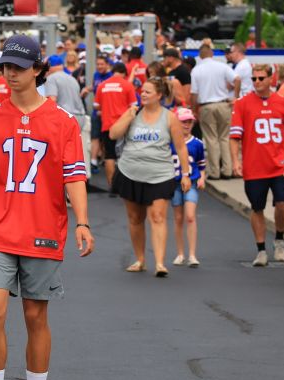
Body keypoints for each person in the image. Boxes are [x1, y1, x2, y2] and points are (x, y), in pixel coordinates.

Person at [0, 34, 94, 380]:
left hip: (42, 230)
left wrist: (83, 222)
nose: (9, 73)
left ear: (38, 69)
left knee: (36, 316)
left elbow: (74, 176)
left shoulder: (62, 122)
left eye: (18, 67)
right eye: (5, 66)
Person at [108, 78, 192, 276]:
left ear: (159, 95)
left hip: (160, 174)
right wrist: (128, 116)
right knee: (136, 218)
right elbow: (113, 134)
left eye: (147, 92)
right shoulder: (133, 112)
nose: (143, 94)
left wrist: (186, 174)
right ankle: (140, 260)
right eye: (142, 91)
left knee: (158, 216)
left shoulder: (169, 117)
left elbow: (180, 147)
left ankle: (160, 263)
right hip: (130, 172)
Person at [229, 62, 284, 266]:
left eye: (261, 78)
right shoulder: (242, 103)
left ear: (271, 79)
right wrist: (235, 161)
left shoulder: (282, 102)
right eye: (254, 78)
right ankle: (261, 249)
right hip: (254, 164)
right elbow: (234, 137)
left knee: (282, 202)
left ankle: (279, 239)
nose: (257, 82)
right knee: (257, 207)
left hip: (280, 163)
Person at [189, 43, 235, 179]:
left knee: (211, 139)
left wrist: (193, 110)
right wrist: (235, 96)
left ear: (200, 56)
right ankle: (227, 170)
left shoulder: (197, 70)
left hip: (207, 106)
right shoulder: (222, 66)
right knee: (224, 138)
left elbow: (194, 93)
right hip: (223, 104)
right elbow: (236, 79)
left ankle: (214, 172)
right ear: (212, 54)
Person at [169, 107, 206, 267]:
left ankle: (192, 254)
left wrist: (202, 178)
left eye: (189, 121)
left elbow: (201, 164)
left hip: (190, 182)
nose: (187, 124)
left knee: (190, 216)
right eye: (183, 121)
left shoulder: (197, 143)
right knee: (178, 218)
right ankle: (180, 253)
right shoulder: (170, 142)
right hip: (174, 183)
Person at [95, 62, 138, 196]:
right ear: (124, 73)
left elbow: (96, 105)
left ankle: (112, 187)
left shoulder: (102, 85)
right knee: (127, 155)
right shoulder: (127, 85)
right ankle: (127, 186)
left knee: (110, 156)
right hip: (123, 125)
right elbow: (134, 106)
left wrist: (106, 108)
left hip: (107, 125)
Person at [42, 54, 89, 169]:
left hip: (65, 119)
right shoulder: (72, 78)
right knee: (76, 153)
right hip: (80, 117)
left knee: (61, 155)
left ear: (50, 66)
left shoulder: (52, 78)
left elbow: (52, 100)